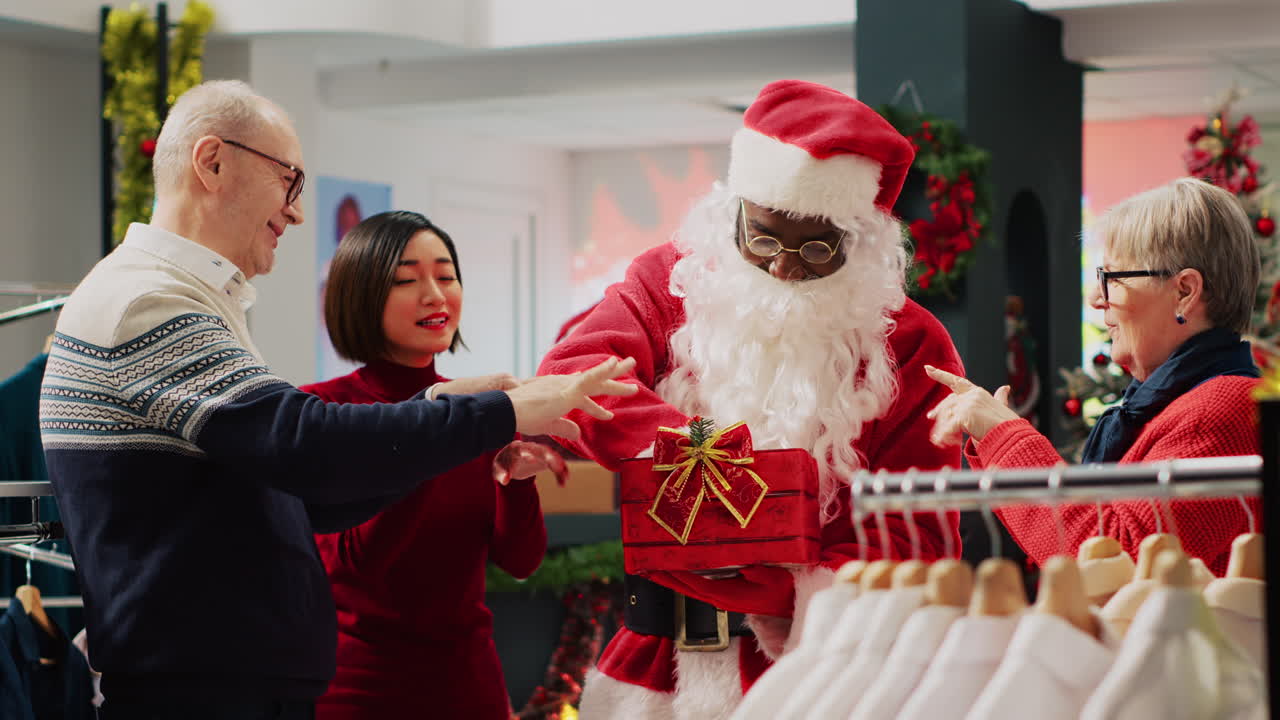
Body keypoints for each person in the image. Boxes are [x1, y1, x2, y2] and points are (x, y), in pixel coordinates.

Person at [37, 79, 636, 720]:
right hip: (206, 694)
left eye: (446, 275)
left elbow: (303, 490)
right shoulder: (148, 302)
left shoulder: (185, 300)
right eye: (288, 180)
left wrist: (461, 413)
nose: (297, 212)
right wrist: (501, 411)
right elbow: (306, 449)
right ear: (211, 162)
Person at [538, 79, 965, 719]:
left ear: (862, 238)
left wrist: (790, 587)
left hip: (819, 676)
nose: (785, 267)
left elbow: (920, 530)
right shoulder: (671, 281)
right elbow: (575, 376)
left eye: (818, 248)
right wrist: (703, 459)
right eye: (762, 238)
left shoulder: (908, 341)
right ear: (733, 211)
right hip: (657, 670)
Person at [927, 177, 1264, 575]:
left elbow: (1112, 564)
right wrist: (995, 439)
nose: (1095, 297)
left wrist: (1007, 437)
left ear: (1185, 291)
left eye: (1112, 277)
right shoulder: (1172, 404)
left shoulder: (1225, 408)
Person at [300, 210, 561, 719]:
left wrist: (516, 483)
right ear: (362, 295)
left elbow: (520, 561)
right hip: (359, 688)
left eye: (445, 276)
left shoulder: (476, 412)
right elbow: (357, 565)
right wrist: (431, 420)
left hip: (467, 683)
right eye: (406, 280)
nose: (435, 296)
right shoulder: (323, 413)